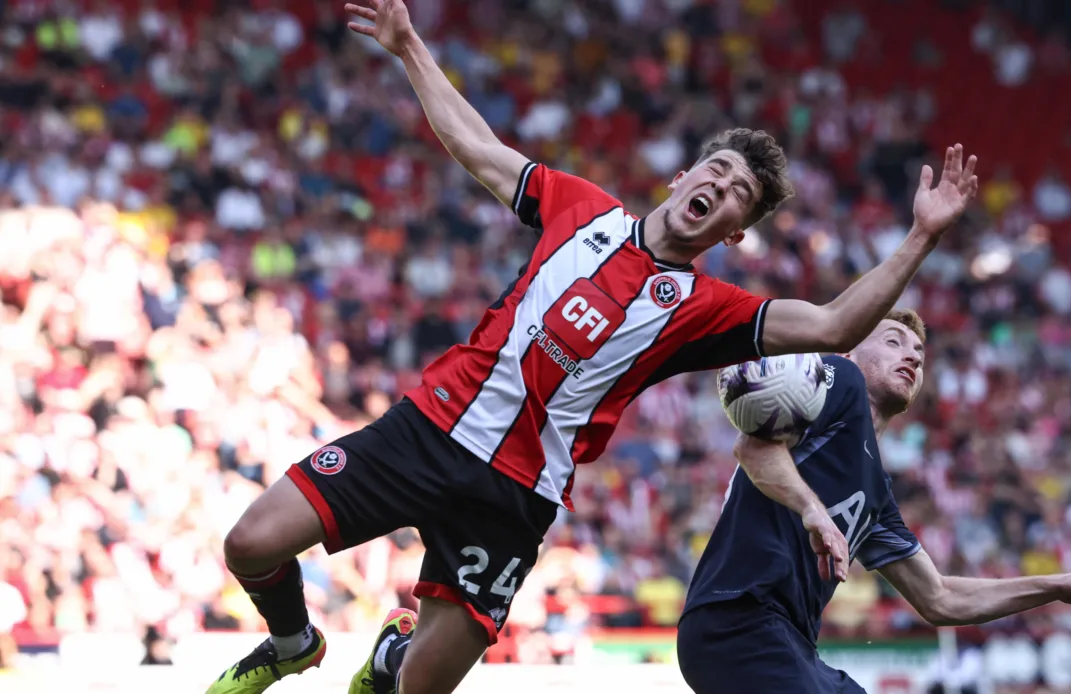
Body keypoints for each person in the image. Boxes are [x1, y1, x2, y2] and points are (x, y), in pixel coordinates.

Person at [205, 0, 980, 691]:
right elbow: (477, 148)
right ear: (682, 178)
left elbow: (836, 327)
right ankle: (292, 642)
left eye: (739, 192)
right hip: (431, 429)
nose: (721, 187)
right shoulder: (584, 208)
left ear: (733, 231)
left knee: (419, 691)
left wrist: (921, 235)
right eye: (717, 170)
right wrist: (410, 47)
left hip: (516, 496)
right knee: (251, 543)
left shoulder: (706, 308)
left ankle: (392, 661)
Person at [677, 310, 1071, 694]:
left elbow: (940, 598)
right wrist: (813, 511)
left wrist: (1057, 587)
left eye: (918, 351)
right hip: (737, 620)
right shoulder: (841, 380)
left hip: (784, 641)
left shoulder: (875, 492)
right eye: (894, 341)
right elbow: (753, 449)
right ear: (851, 349)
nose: (912, 354)